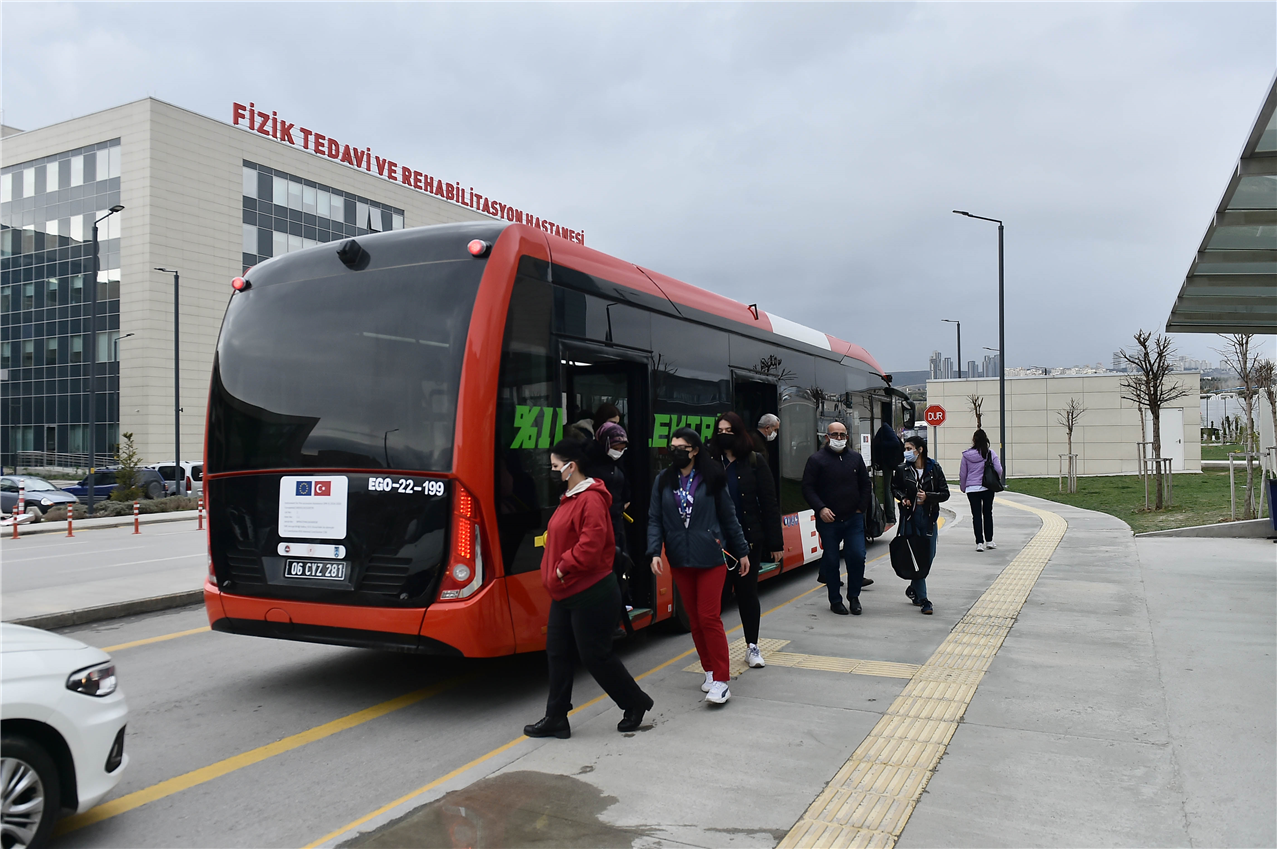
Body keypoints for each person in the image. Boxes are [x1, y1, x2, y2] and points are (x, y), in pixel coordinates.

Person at [523, 439, 653, 739]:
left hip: (591, 592)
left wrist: (561, 566)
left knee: (595, 656)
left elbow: (591, 546)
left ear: (572, 466)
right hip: (565, 591)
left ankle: (635, 702)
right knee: (557, 652)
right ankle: (556, 717)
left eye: (555, 466)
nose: (552, 471)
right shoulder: (570, 497)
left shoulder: (591, 499)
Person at [647, 426, 750, 705]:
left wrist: (742, 550)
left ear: (694, 450)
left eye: (681, 448)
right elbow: (655, 518)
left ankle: (722, 680)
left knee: (708, 617)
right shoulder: (663, 480)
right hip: (679, 558)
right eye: (672, 447)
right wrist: (654, 551)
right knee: (694, 619)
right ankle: (709, 670)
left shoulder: (712, 477)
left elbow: (729, 516)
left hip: (710, 557)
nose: (675, 452)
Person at [711, 412, 784, 670]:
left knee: (747, 594)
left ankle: (752, 645)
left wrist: (776, 543)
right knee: (716, 599)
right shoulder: (709, 463)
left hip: (748, 541)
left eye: (729, 430)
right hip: (716, 544)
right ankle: (712, 649)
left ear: (739, 432)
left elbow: (769, 502)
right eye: (720, 431)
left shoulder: (754, 461)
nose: (724, 435)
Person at [801, 420, 872, 615]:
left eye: (842, 435)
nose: (839, 438)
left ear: (847, 437)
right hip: (828, 521)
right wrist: (821, 508)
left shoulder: (855, 458)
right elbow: (807, 488)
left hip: (853, 519)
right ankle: (835, 600)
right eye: (835, 434)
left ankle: (854, 597)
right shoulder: (816, 460)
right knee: (831, 561)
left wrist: (861, 508)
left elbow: (865, 485)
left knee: (857, 556)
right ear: (827, 437)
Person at [891, 435, 950, 615]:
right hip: (910, 519)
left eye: (909, 449)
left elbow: (945, 493)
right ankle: (924, 599)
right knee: (918, 558)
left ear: (920, 450)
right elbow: (895, 488)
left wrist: (928, 497)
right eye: (905, 449)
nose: (906, 452)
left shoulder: (934, 468)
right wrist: (904, 498)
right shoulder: (902, 469)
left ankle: (913, 588)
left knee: (928, 557)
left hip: (929, 519)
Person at [959, 428, 1002, 552]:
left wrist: (963, 487)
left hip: (972, 489)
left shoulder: (967, 455)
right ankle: (989, 541)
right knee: (988, 513)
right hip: (987, 487)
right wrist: (996, 480)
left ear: (974, 440)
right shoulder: (990, 453)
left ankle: (979, 543)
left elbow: (963, 473)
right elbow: (999, 469)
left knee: (976, 515)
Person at [871, 419, 904, 524]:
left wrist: (879, 444)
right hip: (889, 463)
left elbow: (895, 443)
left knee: (887, 488)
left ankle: (890, 515)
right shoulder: (886, 429)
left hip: (887, 464)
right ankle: (890, 514)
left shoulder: (885, 429)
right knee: (887, 488)